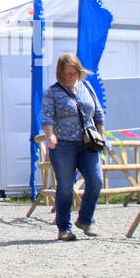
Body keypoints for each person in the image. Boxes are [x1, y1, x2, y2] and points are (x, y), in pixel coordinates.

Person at [42, 53, 104, 241]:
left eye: (74, 73)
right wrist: (50, 135)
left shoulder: (87, 88)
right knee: (66, 188)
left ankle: (85, 219)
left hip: (88, 143)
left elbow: (98, 113)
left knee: (96, 181)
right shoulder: (52, 92)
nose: (71, 77)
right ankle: (64, 228)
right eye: (67, 74)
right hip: (63, 145)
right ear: (60, 74)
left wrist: (101, 135)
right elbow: (46, 117)